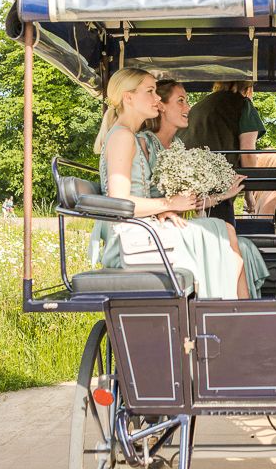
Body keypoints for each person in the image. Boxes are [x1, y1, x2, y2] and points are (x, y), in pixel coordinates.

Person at [93, 68, 257, 299]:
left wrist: (171, 207)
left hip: (144, 228)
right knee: (225, 231)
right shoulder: (123, 137)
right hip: (131, 238)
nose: (157, 98)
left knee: (226, 234)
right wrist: (168, 204)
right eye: (150, 91)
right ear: (128, 98)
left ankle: (234, 312)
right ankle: (236, 315)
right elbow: (120, 203)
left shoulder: (129, 135)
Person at [137, 79, 269, 298]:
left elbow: (189, 201)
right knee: (225, 230)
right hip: (152, 227)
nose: (188, 107)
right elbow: (248, 151)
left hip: (180, 216)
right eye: (181, 101)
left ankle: (239, 308)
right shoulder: (144, 144)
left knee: (236, 241)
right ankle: (240, 310)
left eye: (187, 101)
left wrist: (223, 195)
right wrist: (168, 205)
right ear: (161, 105)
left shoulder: (178, 146)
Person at [179, 81, 266, 226]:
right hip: (218, 190)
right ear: (248, 88)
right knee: (224, 238)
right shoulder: (243, 105)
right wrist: (249, 192)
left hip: (186, 189)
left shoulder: (200, 105)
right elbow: (248, 153)